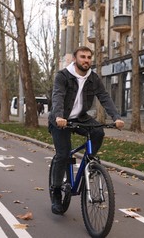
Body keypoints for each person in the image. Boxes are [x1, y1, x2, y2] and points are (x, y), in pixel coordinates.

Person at [48, 46, 125, 215]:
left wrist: (116, 117)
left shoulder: (93, 78)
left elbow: (104, 97)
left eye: (89, 57)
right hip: (60, 119)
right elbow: (58, 96)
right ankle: (56, 191)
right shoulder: (63, 76)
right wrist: (59, 117)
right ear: (75, 59)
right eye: (83, 57)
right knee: (63, 154)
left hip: (80, 117)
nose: (86, 60)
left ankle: (88, 165)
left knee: (98, 132)